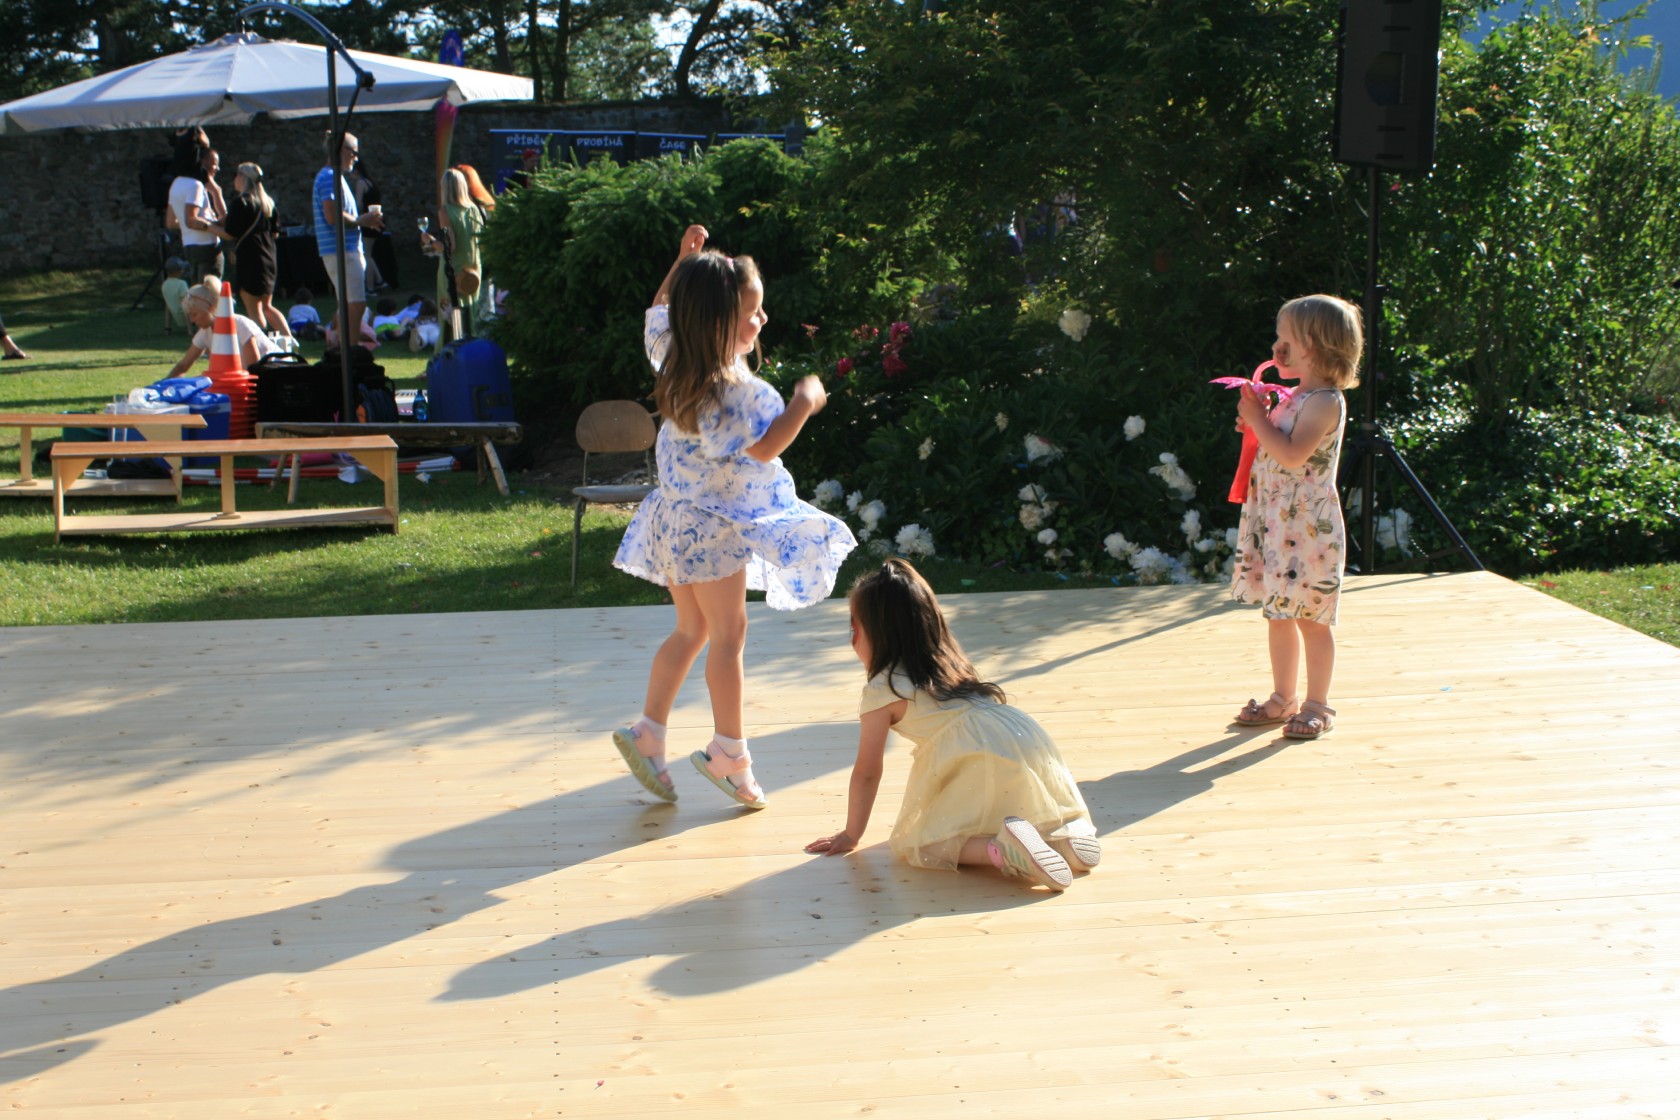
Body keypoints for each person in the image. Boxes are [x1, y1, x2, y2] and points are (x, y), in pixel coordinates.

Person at [610, 224, 856, 808]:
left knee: (691, 631)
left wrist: (682, 261)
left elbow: (660, 310)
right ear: (718, 322)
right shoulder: (738, 391)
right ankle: (729, 754)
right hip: (712, 532)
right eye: (752, 313)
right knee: (729, 637)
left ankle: (649, 732)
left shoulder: (674, 358)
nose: (762, 320)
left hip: (672, 523)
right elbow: (765, 448)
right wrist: (804, 404)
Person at [805, 559, 1101, 891]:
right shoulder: (949, 662)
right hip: (1021, 732)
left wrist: (851, 834)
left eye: (853, 628)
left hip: (975, 753)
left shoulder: (882, 689)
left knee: (922, 843)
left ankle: (1003, 849)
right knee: (1010, 810)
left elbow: (868, 771)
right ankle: (1066, 839)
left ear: (872, 634)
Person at [1230, 294, 1364, 741]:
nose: (1276, 348)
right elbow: (1274, 443)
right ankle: (1282, 697)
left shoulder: (1324, 401)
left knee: (1310, 616)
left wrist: (1259, 420)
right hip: (1279, 523)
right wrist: (1256, 424)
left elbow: (1292, 455)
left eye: (1286, 340)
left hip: (1308, 528)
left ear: (1316, 345)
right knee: (1279, 613)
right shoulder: (1295, 397)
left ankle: (1318, 704)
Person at [312, 130, 384, 347]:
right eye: (353, 152)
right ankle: (350, 354)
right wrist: (362, 220)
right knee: (356, 304)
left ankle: (343, 352)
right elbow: (332, 216)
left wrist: (363, 221)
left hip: (342, 249)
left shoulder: (333, 177)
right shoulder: (329, 177)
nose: (356, 157)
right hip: (343, 250)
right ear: (340, 150)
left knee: (347, 305)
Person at [212, 162, 291, 342]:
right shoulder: (268, 203)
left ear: (242, 177)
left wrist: (206, 227)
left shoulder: (241, 203)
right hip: (269, 257)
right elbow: (275, 232)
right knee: (267, 306)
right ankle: (289, 341)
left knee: (254, 310)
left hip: (250, 259)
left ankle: (263, 345)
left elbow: (230, 233)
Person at [420, 168, 489, 340]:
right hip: (473, 268)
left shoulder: (446, 211)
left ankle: (453, 348)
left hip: (453, 270)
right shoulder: (474, 209)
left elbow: (449, 246)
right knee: (471, 312)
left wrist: (430, 241)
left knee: (452, 314)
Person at [166, 278, 279, 377]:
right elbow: (183, 366)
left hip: (277, 373)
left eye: (194, 314)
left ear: (210, 308)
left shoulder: (240, 324)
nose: (191, 320)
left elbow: (254, 369)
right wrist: (160, 387)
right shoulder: (205, 332)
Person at [168, 137, 226, 283]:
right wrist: (213, 225)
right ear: (202, 162)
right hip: (207, 245)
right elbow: (191, 219)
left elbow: (170, 222)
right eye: (214, 163)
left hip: (189, 246)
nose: (217, 168)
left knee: (196, 291)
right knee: (211, 291)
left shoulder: (176, 183)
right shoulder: (196, 185)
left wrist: (216, 190)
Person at [161, 258, 190, 335]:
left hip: (176, 316)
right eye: (182, 269)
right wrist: (190, 331)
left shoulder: (165, 284)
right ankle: (190, 330)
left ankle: (167, 329)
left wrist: (167, 328)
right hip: (189, 317)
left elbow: (167, 306)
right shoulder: (182, 283)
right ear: (178, 271)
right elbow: (186, 304)